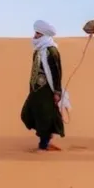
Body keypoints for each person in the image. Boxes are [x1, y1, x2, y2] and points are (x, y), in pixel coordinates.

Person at [21, 19, 65, 151]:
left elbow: (57, 72)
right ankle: (47, 140)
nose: (35, 36)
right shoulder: (38, 51)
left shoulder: (52, 51)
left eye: (38, 34)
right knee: (27, 114)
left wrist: (57, 92)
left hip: (47, 91)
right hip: (36, 91)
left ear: (45, 35)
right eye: (36, 33)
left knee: (44, 118)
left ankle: (43, 145)